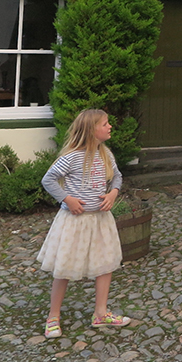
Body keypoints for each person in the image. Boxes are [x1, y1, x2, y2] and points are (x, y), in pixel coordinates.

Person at [38, 108, 131, 339]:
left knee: (105, 263)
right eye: (105, 124)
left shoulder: (106, 154)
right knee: (65, 267)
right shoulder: (71, 157)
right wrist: (67, 199)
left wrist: (113, 194)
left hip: (100, 219)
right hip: (75, 221)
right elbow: (48, 179)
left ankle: (100, 312)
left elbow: (117, 176)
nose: (110, 127)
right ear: (91, 130)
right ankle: (53, 316)